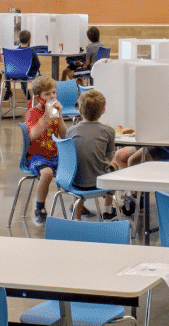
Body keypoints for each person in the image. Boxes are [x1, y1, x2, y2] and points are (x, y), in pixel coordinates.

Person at [69, 89, 117, 220]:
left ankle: (76, 216)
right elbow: (108, 156)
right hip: (99, 183)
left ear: (80, 110)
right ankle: (107, 209)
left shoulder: (71, 131)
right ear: (103, 110)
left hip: (74, 183)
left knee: (77, 166)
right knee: (115, 166)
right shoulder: (109, 131)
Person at [25, 76, 66, 224]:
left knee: (76, 164)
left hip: (54, 154)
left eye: (54, 93)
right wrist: (47, 116)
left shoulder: (54, 112)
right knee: (47, 173)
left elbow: (64, 134)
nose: (52, 96)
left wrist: (59, 116)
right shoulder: (32, 113)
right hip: (37, 155)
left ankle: (78, 203)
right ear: (39, 97)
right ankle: (39, 207)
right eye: (47, 94)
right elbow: (34, 135)